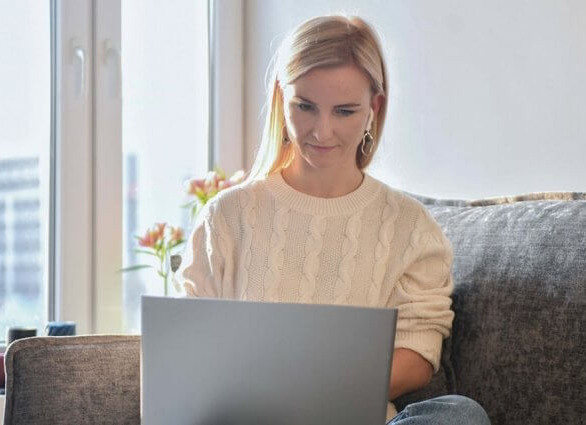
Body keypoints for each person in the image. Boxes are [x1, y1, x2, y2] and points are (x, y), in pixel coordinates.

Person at [179, 14, 490, 425]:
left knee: (458, 415)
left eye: (344, 111)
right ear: (280, 98)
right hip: (252, 416)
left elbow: (418, 352)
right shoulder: (227, 215)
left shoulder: (410, 227)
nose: (322, 132)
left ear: (373, 108)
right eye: (305, 106)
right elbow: (186, 346)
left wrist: (315, 387)